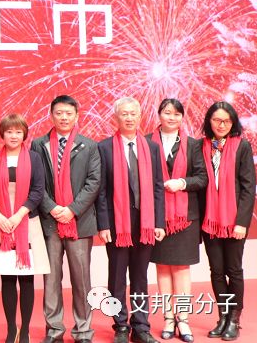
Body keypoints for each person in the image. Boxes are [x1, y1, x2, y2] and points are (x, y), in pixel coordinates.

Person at [29, 95, 101, 343]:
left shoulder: (89, 146)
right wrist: (52, 208)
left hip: (79, 222)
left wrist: (71, 209)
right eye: (59, 113)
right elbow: (35, 181)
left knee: (81, 279)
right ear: (51, 115)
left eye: (69, 113)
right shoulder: (38, 145)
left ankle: (83, 330)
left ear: (77, 116)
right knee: (51, 279)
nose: (64, 117)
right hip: (49, 223)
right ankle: (54, 329)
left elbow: (93, 183)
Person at [96, 97, 166, 343]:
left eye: (133, 114)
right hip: (117, 223)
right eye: (124, 114)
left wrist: (159, 222)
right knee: (116, 277)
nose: (128, 118)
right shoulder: (104, 148)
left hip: (145, 223)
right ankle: (120, 326)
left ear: (139, 116)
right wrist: (103, 224)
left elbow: (158, 187)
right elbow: (101, 190)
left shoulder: (152, 148)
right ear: (116, 117)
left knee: (140, 277)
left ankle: (141, 327)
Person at [0, 113, 49, 343]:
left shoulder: (34, 158)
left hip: (27, 222)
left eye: (18, 132)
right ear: (2, 134)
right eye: (9, 132)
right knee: (8, 279)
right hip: (1, 223)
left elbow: (38, 191)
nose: (13, 136)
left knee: (27, 278)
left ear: (24, 134)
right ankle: (12, 329)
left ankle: (26, 330)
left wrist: (18, 215)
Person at [146, 99, 206, 343]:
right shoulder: (147, 143)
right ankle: (168, 318)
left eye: (177, 114)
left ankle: (183, 319)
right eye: (167, 113)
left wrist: (181, 183)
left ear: (182, 117)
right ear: (159, 114)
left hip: (185, 217)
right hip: (157, 216)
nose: (172, 117)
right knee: (162, 267)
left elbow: (202, 178)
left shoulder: (193, 145)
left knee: (181, 268)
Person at [199, 101, 256, 341]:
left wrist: (241, 222)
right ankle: (222, 316)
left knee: (234, 270)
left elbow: (248, 187)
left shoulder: (242, 146)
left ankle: (234, 319)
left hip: (234, 221)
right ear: (209, 121)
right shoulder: (201, 146)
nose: (221, 125)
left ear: (233, 122)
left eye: (226, 121)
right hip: (210, 221)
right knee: (217, 271)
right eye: (217, 120)